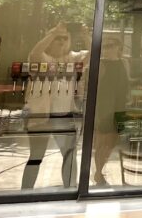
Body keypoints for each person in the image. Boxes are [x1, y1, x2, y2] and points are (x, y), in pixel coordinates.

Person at [22, 22, 87, 190]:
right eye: (57, 38)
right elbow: (34, 53)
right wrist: (52, 33)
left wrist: (86, 35)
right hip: (40, 115)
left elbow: (94, 55)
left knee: (69, 156)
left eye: (65, 38)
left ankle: (71, 191)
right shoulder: (42, 58)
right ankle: (25, 193)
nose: (61, 41)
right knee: (36, 156)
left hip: (63, 116)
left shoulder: (73, 58)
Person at [91, 36, 130, 186]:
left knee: (112, 141)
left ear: (118, 47)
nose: (107, 48)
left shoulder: (124, 62)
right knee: (102, 142)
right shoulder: (100, 64)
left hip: (120, 106)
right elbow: (96, 87)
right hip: (104, 106)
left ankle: (99, 171)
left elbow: (127, 82)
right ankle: (98, 173)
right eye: (105, 46)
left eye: (110, 45)